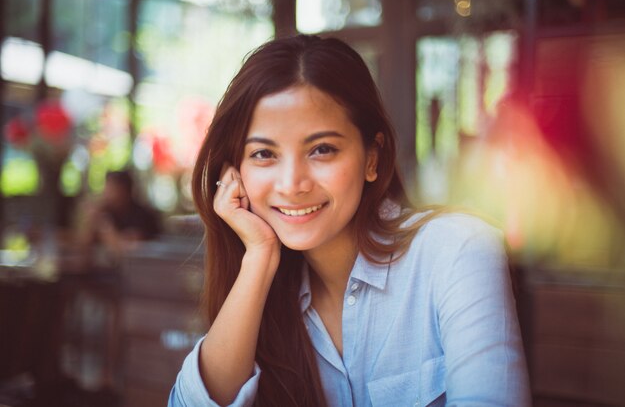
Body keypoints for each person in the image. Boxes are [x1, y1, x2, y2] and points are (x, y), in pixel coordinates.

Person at [168, 35, 530, 407]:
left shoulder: (456, 251)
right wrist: (259, 258)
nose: (292, 184)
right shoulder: (266, 294)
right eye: (264, 154)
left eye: (321, 149)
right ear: (235, 172)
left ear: (372, 157)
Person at [77, 170, 161, 261]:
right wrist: (91, 220)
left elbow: (121, 250)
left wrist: (102, 222)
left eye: (111, 189)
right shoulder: (108, 212)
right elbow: (82, 246)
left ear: (124, 190)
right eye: (106, 188)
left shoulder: (142, 216)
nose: (106, 194)